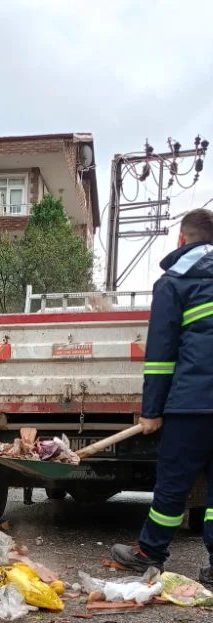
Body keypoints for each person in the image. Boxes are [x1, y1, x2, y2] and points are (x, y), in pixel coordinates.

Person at [112, 208, 213, 586]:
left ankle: (150, 552)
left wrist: (152, 411)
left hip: (192, 405)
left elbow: (160, 357)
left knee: (173, 484)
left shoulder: (175, 281)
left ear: (182, 240)